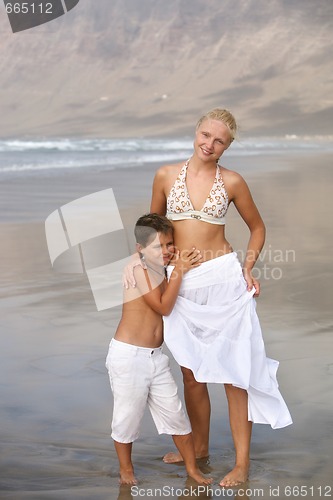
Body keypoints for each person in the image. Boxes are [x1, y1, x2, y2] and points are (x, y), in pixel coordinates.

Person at [125, 108, 293, 487]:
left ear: (228, 145)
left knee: (236, 375)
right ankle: (199, 450)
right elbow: (151, 230)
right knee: (192, 373)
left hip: (224, 282)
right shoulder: (166, 175)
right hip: (181, 286)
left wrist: (248, 268)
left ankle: (241, 464)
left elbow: (258, 227)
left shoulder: (232, 182)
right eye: (205, 135)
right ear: (195, 132)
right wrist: (140, 264)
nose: (209, 144)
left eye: (219, 140)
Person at [105, 213, 212, 486]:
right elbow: (163, 306)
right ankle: (126, 469)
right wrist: (180, 271)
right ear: (140, 250)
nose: (165, 251)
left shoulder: (160, 267)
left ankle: (192, 470)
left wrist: (175, 266)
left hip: (155, 357)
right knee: (127, 416)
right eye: (158, 247)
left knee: (176, 414)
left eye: (169, 245)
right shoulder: (140, 270)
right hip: (129, 356)